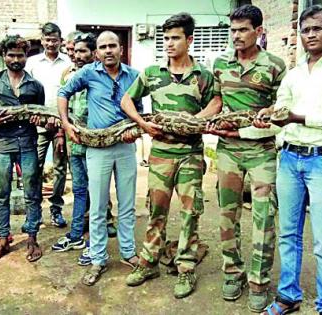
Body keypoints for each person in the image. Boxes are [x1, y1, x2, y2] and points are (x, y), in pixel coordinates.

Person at [198, 5, 286, 312]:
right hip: (228, 151)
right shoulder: (220, 63)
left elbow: (282, 110)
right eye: (232, 30)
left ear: (258, 31)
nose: (236, 35)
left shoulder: (275, 65)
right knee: (227, 215)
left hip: (261, 152)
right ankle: (232, 273)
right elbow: (218, 99)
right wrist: (201, 119)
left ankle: (259, 281)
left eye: (243, 30)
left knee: (263, 217)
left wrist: (261, 125)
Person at [121, 13, 214, 299]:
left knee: (190, 213)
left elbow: (217, 102)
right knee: (156, 211)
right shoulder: (151, 73)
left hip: (190, 154)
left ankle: (186, 267)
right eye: (166, 38)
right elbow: (126, 100)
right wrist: (142, 123)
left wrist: (194, 121)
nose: (169, 44)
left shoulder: (203, 75)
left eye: (175, 38)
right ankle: (148, 262)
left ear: (189, 39)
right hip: (161, 153)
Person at [255, 5, 322, 315]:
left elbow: (302, 116)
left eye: (317, 28)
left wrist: (297, 117)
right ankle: (288, 296)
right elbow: (282, 109)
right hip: (289, 159)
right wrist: (268, 117)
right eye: (305, 30)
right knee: (288, 233)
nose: (310, 34)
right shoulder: (295, 72)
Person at [58, 31, 140, 285]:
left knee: (127, 204)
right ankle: (98, 258)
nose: (108, 51)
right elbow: (63, 93)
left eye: (112, 46)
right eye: (103, 47)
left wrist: (135, 132)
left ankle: (128, 253)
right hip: (98, 149)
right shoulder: (88, 73)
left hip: (125, 148)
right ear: (97, 52)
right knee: (98, 206)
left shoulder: (134, 76)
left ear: (121, 49)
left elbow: (141, 111)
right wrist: (67, 124)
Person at [0, 35, 45, 262]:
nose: (16, 59)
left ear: (26, 56)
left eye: (20, 55)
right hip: (2, 144)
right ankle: (2, 238)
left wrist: (41, 121)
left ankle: (32, 236)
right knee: (2, 193)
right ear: (3, 57)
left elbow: (42, 115)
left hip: (28, 143)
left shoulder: (35, 85)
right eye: (11, 55)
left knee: (32, 192)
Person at [52, 33, 96, 254]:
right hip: (74, 141)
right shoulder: (67, 74)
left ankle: (97, 240)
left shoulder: (101, 74)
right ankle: (77, 234)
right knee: (79, 189)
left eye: (82, 51)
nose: (77, 56)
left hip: (97, 142)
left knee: (97, 191)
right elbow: (64, 106)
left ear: (93, 53)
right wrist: (62, 131)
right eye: (75, 51)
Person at [26, 22, 71, 228]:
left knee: (60, 169)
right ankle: (33, 213)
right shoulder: (32, 63)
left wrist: (63, 124)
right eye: (47, 39)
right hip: (37, 124)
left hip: (62, 124)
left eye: (55, 40)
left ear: (60, 41)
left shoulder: (68, 63)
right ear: (42, 40)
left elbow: (72, 94)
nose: (51, 43)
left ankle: (56, 209)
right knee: (34, 168)